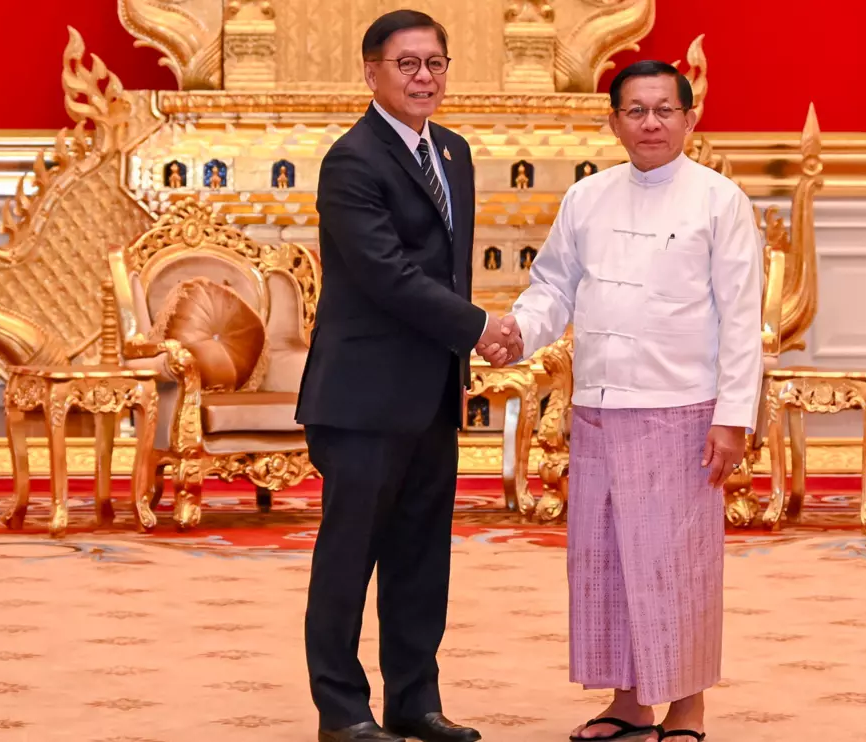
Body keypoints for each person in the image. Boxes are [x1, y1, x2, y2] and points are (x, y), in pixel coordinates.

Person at [481, 60, 764, 742]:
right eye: (635, 111)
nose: (650, 124)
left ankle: (686, 708)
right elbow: (553, 286)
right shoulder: (588, 198)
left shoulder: (718, 200)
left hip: (683, 407)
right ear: (613, 123)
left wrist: (732, 418)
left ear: (690, 118)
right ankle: (628, 702)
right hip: (600, 406)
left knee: (676, 562)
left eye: (664, 110)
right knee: (606, 561)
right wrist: (518, 331)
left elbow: (739, 316)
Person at [295, 10, 515, 742]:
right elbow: (386, 275)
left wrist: (463, 344)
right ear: (371, 72)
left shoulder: (451, 152)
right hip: (361, 398)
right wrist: (479, 327)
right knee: (349, 559)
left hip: (430, 396)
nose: (425, 78)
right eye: (408, 65)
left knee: (421, 559)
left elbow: (446, 267)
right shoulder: (351, 160)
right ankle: (343, 712)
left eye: (435, 64)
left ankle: (414, 703)